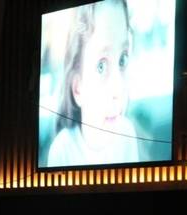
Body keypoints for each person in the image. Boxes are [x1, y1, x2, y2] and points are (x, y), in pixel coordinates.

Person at [47, 0, 139, 168]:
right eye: (101, 66)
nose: (118, 88)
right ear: (78, 89)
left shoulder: (127, 135)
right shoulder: (62, 152)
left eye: (122, 59)